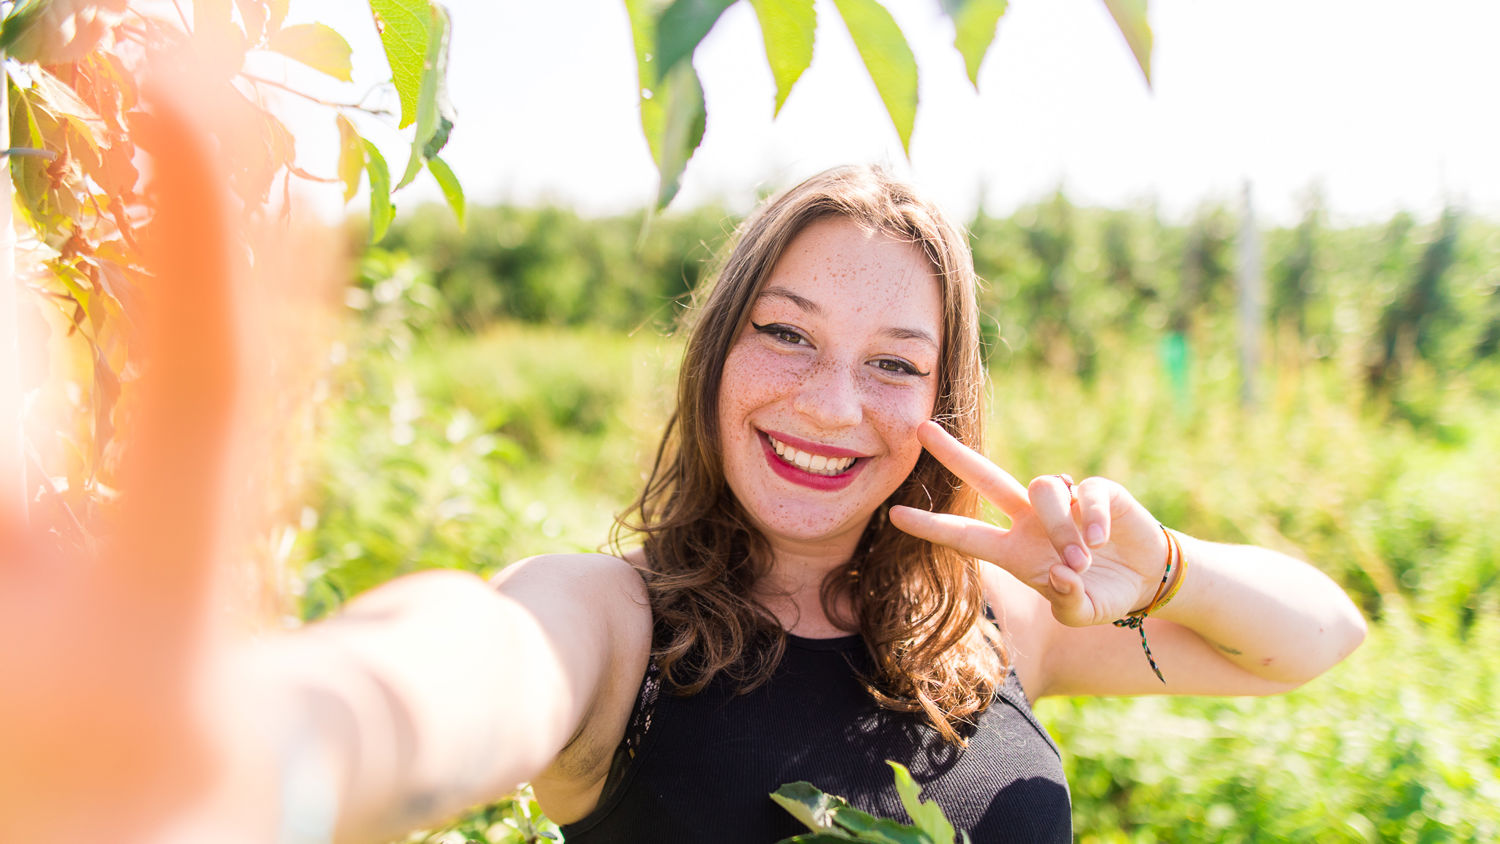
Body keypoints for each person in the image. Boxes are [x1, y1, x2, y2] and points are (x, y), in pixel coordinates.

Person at [0, 158, 1366, 843]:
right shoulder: (614, 631)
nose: (832, 403)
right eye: (787, 335)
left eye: (895, 364)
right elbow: (461, 672)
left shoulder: (998, 624)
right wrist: (252, 746)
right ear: (715, 355)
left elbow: (1318, 640)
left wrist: (1163, 568)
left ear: (943, 410)